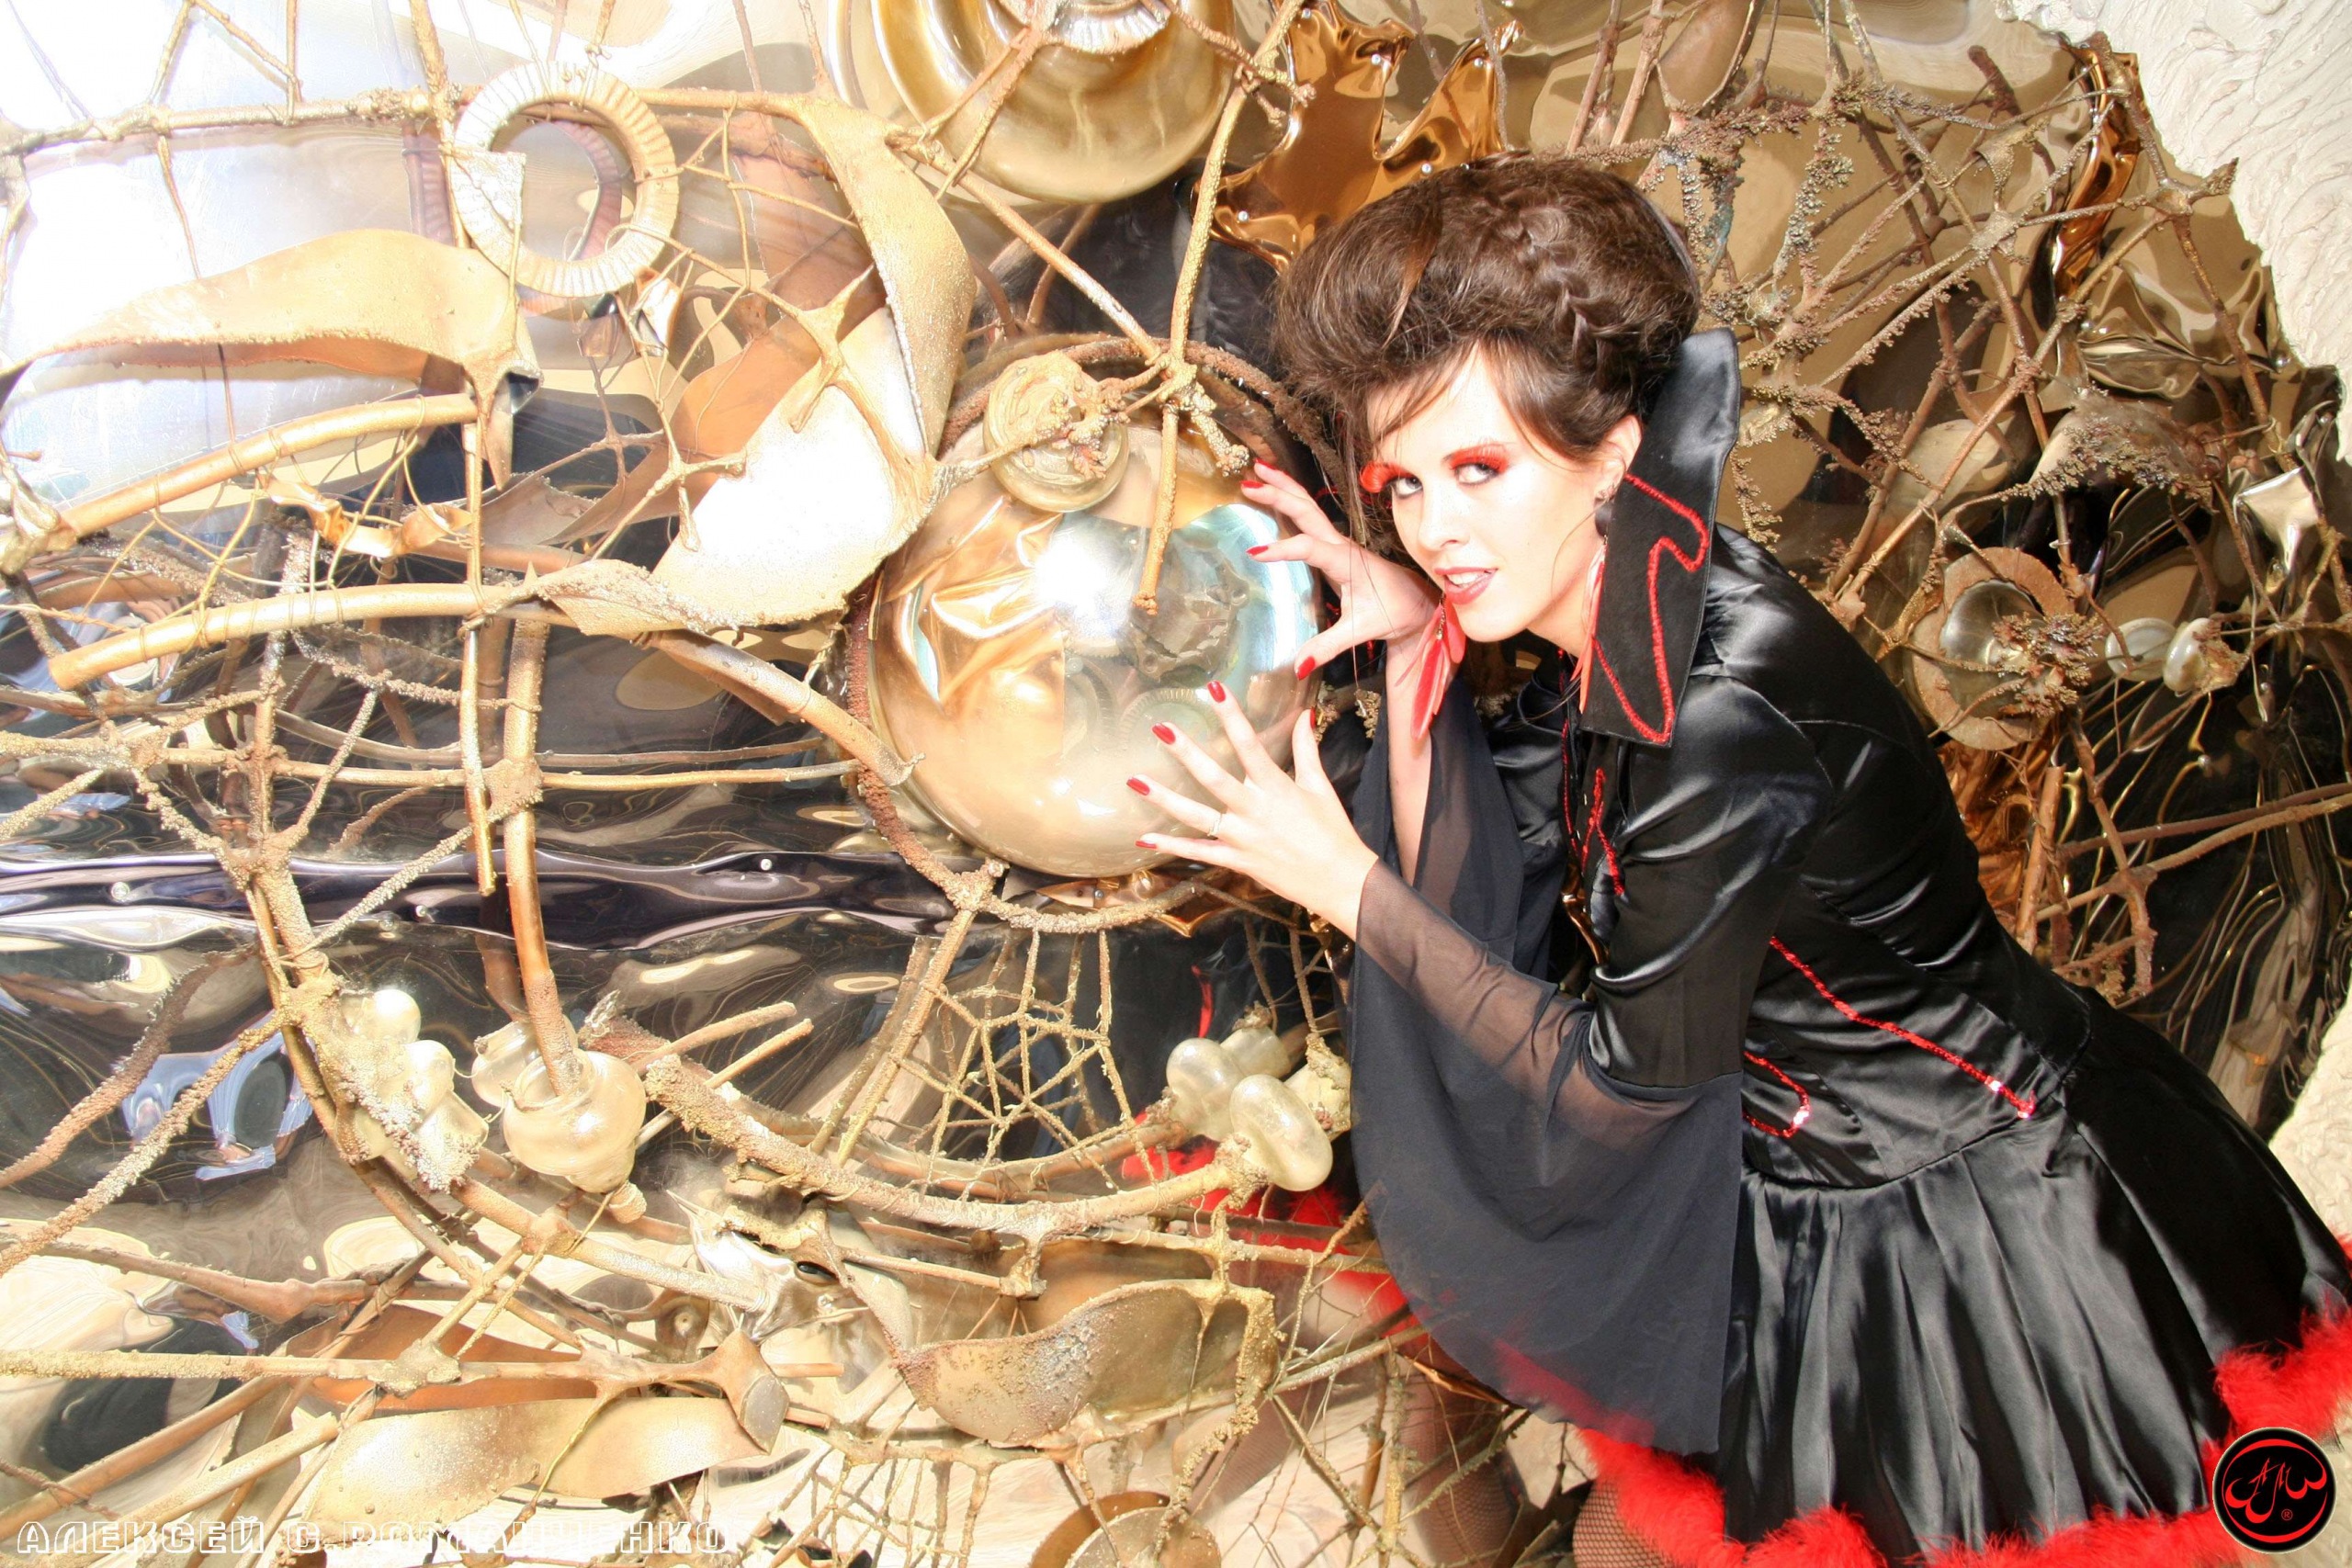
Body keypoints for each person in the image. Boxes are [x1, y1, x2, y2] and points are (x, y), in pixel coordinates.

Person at [1125, 152, 2352, 1566]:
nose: (1437, 527)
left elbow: (1616, 1084)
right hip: (1788, 1180)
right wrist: (1416, 633)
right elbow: (1506, 865)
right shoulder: (1641, 605)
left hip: (1977, 1205)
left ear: (1617, 450)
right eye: (1404, 484)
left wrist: (1347, 887)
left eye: (1480, 470)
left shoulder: (1719, 705)